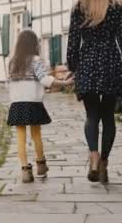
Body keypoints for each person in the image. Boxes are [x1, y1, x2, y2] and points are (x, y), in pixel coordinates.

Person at [66, 0, 122, 184]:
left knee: (91, 116)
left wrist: (73, 67)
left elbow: (72, 42)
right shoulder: (116, 6)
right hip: (109, 63)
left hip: (87, 63)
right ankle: (104, 162)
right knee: (108, 118)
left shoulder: (79, 7)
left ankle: (93, 157)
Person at [7, 30, 74, 183]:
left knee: (20, 138)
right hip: (32, 102)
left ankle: (25, 171)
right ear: (33, 45)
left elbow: (7, 84)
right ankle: (41, 165)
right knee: (36, 134)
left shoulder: (12, 62)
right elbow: (44, 80)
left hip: (17, 104)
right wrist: (64, 83)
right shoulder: (36, 60)